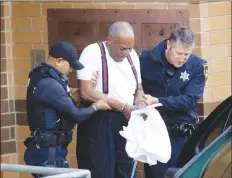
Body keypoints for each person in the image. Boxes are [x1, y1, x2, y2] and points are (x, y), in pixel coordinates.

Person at [76, 21, 153, 178]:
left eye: (129, 48)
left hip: (126, 117)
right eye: (122, 48)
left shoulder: (132, 56)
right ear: (109, 40)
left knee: (126, 168)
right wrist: (121, 106)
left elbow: (139, 88)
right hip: (100, 119)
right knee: (100, 169)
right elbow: (86, 92)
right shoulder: (93, 52)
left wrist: (140, 102)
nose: (125, 53)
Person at [24, 41, 110, 178]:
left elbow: (58, 103)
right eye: (70, 66)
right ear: (59, 61)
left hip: (49, 149)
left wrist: (81, 92)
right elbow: (76, 115)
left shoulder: (44, 76)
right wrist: (97, 106)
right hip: (47, 153)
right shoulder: (49, 83)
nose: (71, 71)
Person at [139, 27, 208, 178]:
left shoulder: (197, 66)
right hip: (155, 136)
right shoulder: (146, 60)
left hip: (184, 138)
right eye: (179, 53)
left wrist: (157, 101)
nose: (182, 59)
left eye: (187, 54)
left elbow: (189, 101)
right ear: (169, 45)